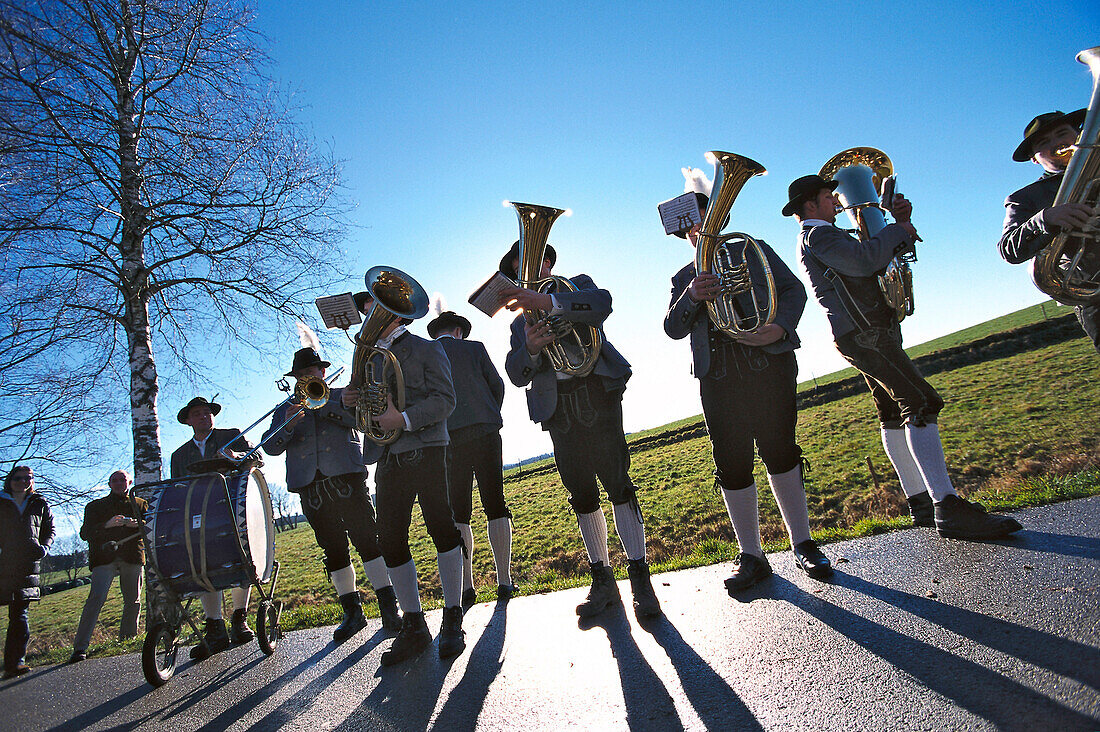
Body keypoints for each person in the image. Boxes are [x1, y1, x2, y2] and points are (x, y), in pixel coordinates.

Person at [786, 173, 1023, 540]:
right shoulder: (819, 235)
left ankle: (921, 503)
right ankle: (947, 506)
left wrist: (894, 226)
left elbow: (882, 264)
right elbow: (865, 261)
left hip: (864, 331)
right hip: (866, 333)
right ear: (810, 205)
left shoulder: (824, 236)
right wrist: (897, 228)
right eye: (828, 196)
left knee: (893, 412)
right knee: (921, 401)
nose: (836, 201)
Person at [664, 191, 831, 595]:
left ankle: (803, 543)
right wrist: (692, 297)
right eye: (688, 226)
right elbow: (673, 327)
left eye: (701, 218)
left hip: (768, 364)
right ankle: (752, 556)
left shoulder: (752, 250)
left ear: (716, 216)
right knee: (732, 463)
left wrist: (780, 328)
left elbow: (794, 292)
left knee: (781, 450)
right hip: (718, 376)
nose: (695, 230)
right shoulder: (683, 277)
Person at [499, 240, 661, 620]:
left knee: (618, 482)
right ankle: (602, 577)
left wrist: (547, 304)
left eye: (535, 260)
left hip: (596, 394)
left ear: (550, 261)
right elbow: (515, 373)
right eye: (520, 267)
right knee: (581, 491)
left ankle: (640, 576)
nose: (529, 270)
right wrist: (533, 349)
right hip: (558, 408)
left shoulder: (576, 286)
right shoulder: (517, 324)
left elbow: (602, 304)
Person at [344, 291, 467, 666]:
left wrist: (405, 419)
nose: (369, 317)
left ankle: (452, 616)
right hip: (388, 456)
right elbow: (365, 414)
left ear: (398, 317)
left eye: (375, 312)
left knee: (442, 528)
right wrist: (351, 401)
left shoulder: (428, 349)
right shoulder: (365, 359)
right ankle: (414, 625)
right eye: (368, 312)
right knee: (390, 539)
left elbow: (445, 400)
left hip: (427, 447)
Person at [261, 346, 401, 645]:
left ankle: (389, 605)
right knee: (333, 549)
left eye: (310, 372)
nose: (305, 377)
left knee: (367, 540)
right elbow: (270, 447)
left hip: (346, 477)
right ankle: (353, 611)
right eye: (300, 374)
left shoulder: (344, 395)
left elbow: (362, 422)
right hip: (309, 485)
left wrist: (323, 405)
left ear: (322, 372)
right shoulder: (285, 408)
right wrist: (288, 424)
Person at [427, 309, 516, 607]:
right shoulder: (475, 348)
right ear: (458, 331)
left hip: (449, 439)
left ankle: (467, 587)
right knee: (495, 503)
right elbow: (497, 385)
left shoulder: (428, 354)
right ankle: (504, 581)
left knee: (460, 512)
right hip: (485, 431)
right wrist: (489, 412)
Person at [998, 108, 1100, 353]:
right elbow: (1008, 249)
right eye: (1044, 142)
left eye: (1062, 133)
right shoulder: (1024, 198)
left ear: (1079, 134)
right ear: (1034, 158)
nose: (1057, 143)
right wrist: (1045, 219)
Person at [170, 396, 256, 659]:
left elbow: (257, 459)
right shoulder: (179, 455)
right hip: (200, 516)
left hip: (234, 508)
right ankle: (215, 628)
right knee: (205, 565)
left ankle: (239, 619)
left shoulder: (231, 435)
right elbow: (177, 489)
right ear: (188, 421)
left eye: (207, 412)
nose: (203, 417)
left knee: (241, 560)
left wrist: (237, 456)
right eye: (197, 414)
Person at [68, 470, 148, 663]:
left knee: (133, 601)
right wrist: (107, 525)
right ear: (109, 484)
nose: (119, 483)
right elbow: (85, 533)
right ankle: (80, 647)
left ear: (129, 482)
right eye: (115, 480)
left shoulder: (140, 504)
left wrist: (134, 524)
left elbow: (150, 525)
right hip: (104, 559)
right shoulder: (95, 506)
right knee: (95, 599)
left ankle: (127, 640)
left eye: (123, 480)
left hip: (133, 556)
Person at [0, 466, 54, 679]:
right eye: (18, 478)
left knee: (19, 615)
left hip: (26, 565)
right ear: (10, 480)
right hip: (3, 564)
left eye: (28, 478)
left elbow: (49, 528)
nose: (23, 482)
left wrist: (45, 547)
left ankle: (15, 664)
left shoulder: (39, 503)